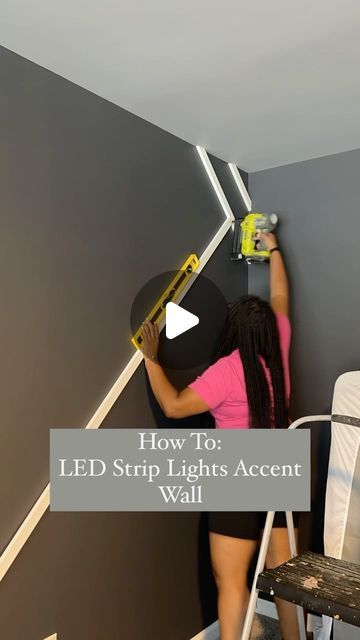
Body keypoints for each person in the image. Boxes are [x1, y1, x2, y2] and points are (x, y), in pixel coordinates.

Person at [140, 232, 300, 640]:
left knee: (230, 583)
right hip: (280, 476)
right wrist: (274, 247)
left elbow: (174, 405)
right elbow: (281, 298)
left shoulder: (228, 370)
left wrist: (151, 358)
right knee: (285, 583)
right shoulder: (276, 355)